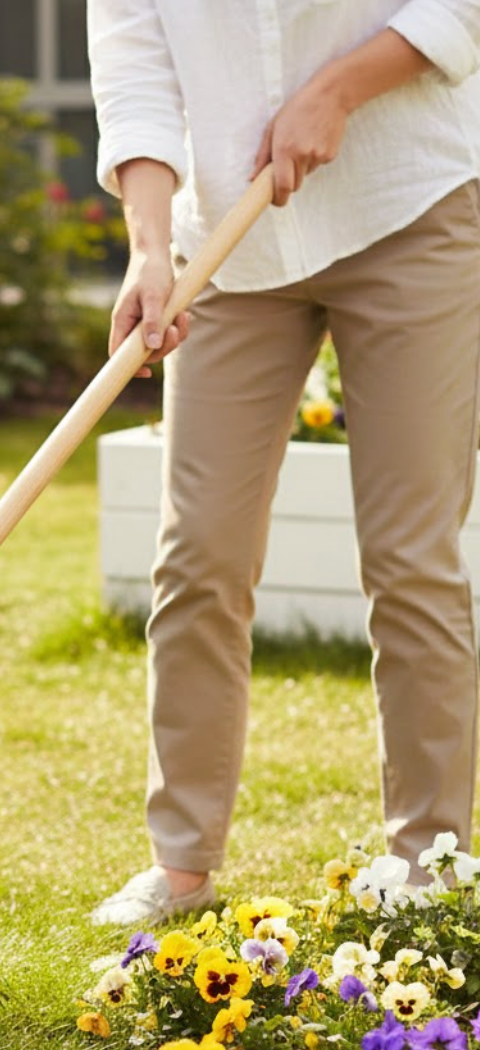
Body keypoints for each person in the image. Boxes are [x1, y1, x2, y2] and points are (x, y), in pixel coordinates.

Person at [86, 1, 480, 928]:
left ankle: (430, 863)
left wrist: (340, 87)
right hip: (228, 239)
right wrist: (149, 251)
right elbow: (137, 72)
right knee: (199, 554)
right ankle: (181, 863)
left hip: (405, 205)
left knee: (410, 553)